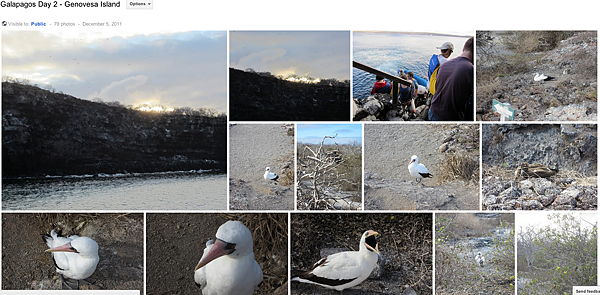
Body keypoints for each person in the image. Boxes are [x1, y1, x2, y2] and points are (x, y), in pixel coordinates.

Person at [428, 37, 474, 121]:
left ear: (463, 48)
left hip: (432, 111)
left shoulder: (444, 64)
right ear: (449, 51)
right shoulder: (470, 69)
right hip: (448, 117)